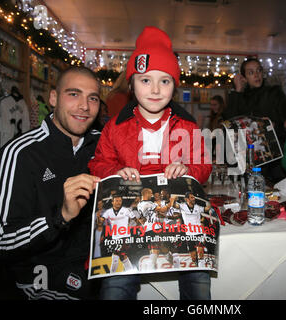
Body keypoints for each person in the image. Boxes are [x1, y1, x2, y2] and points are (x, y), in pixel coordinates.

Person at [88, 26, 212, 300]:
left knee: (198, 278)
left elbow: (204, 165)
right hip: (131, 218)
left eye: (165, 81)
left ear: (175, 86)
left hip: (177, 216)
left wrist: (188, 170)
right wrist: (116, 171)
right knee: (115, 287)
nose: (155, 89)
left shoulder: (189, 127)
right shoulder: (115, 127)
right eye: (145, 80)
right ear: (131, 85)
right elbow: (98, 164)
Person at [0, 66, 102, 299]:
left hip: (94, 264)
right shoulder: (20, 154)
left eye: (93, 98)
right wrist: (60, 217)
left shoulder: (103, 146)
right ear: (53, 98)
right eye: (73, 94)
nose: (84, 106)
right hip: (43, 276)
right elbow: (0, 241)